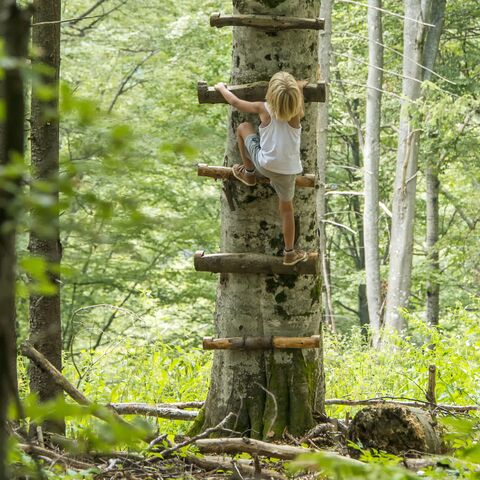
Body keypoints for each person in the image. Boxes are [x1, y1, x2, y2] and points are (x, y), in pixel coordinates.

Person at [214, 71, 308, 266]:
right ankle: (289, 253)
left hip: (264, 164)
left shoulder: (263, 108)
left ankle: (248, 174)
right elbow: (296, 96)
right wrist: (299, 86)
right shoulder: (297, 114)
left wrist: (221, 88)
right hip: (289, 171)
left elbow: (236, 103)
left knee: (243, 127)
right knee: (287, 210)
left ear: (270, 93)